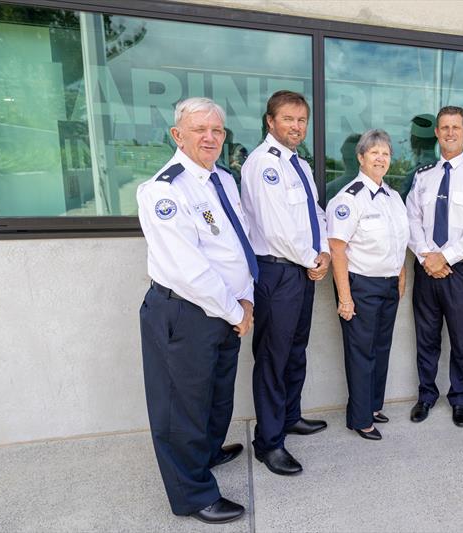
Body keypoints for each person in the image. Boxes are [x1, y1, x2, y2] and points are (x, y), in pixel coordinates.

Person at [136, 97, 257, 525]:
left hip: (225, 310)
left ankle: (205, 453)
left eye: (218, 130)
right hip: (185, 313)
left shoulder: (222, 179)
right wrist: (235, 310)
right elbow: (188, 270)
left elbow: (235, 248)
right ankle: (192, 494)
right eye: (200, 129)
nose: (210, 137)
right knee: (181, 407)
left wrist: (245, 300)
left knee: (215, 394)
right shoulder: (164, 190)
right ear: (177, 135)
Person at [240, 90, 330, 476]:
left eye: (301, 120)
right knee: (273, 359)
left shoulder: (301, 165)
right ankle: (269, 443)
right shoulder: (263, 165)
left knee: (295, 350)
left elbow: (316, 212)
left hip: (303, 270)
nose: (296, 127)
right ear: (270, 121)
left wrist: (323, 251)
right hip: (277, 272)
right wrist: (314, 259)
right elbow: (276, 229)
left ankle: (290, 416)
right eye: (288, 119)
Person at [406, 105, 463, 428]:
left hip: (462, 270)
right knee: (426, 336)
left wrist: (443, 257)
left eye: (456, 127)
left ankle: (460, 398)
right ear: (437, 132)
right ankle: (426, 395)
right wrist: (427, 256)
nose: (450, 133)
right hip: (426, 268)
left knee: (462, 337)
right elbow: (411, 219)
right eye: (444, 127)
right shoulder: (423, 175)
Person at [327, 129, 409, 441]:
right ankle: (360, 419)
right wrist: (345, 298)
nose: (380, 158)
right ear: (361, 158)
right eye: (374, 152)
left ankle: (374, 405)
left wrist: (400, 276)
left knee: (381, 348)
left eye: (385, 153)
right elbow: (337, 249)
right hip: (360, 286)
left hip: (388, 286)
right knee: (361, 352)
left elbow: (399, 241)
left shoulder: (393, 197)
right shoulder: (349, 199)